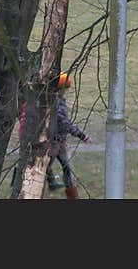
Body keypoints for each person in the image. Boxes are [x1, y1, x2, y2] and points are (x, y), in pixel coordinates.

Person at [49, 71, 90, 199]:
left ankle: (72, 195)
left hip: (59, 141)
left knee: (67, 167)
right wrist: (81, 135)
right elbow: (65, 123)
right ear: (60, 88)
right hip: (53, 142)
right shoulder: (56, 103)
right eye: (65, 88)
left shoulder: (57, 100)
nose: (66, 91)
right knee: (42, 167)